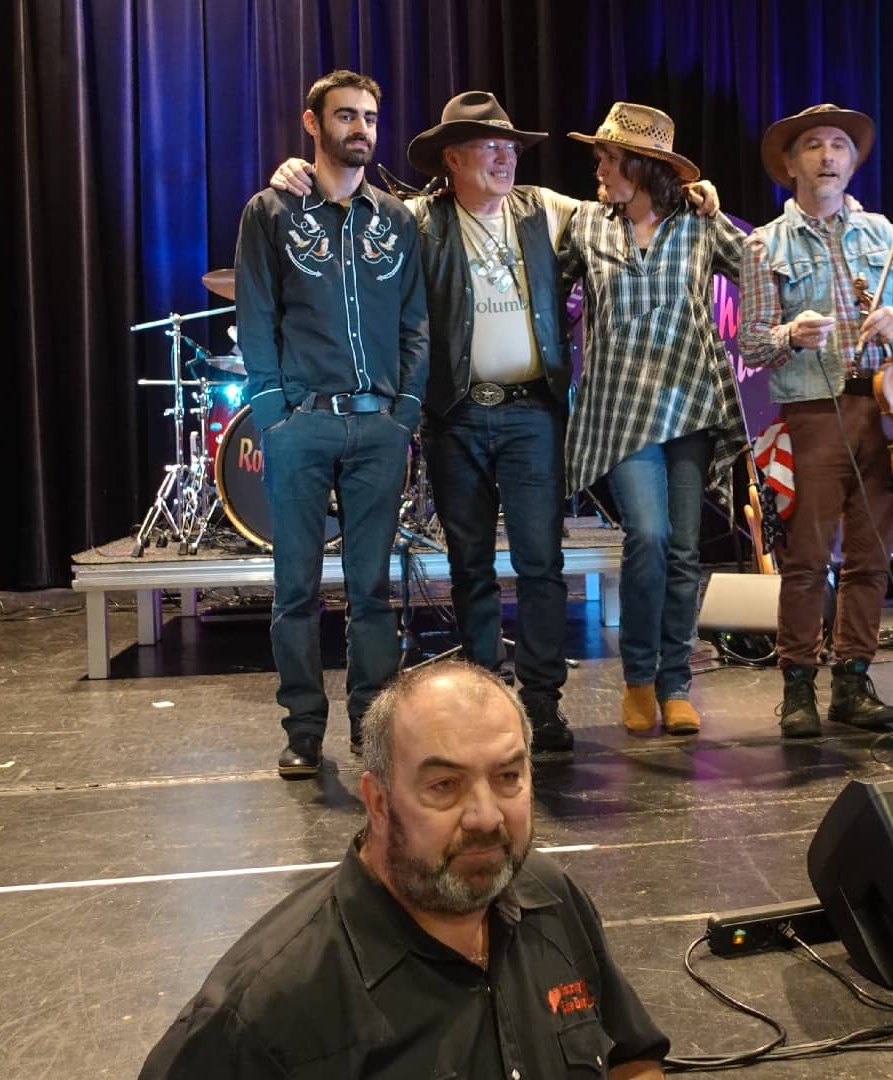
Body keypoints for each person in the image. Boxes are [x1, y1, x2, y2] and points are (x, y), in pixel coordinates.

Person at [269, 93, 725, 761]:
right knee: (470, 566)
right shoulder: (418, 221)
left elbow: (633, 205)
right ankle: (488, 697)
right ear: (452, 158)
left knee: (543, 565)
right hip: (455, 416)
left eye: (511, 146)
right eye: (489, 146)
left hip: (531, 414)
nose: (506, 156)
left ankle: (541, 702)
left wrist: (692, 190)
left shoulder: (548, 211)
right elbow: (350, 209)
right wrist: (294, 174)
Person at [140, 661, 669, 1078]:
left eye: (508, 776)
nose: (486, 817)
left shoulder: (552, 898)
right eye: (445, 786)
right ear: (377, 801)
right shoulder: (264, 1009)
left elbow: (631, 1058)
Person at [234, 70, 428, 779]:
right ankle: (303, 731)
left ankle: (369, 730)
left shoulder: (397, 219)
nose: (362, 129)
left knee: (373, 589)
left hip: (379, 426)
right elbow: (254, 315)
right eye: (346, 116)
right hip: (302, 427)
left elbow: (415, 325)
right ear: (312, 124)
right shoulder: (271, 211)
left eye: (370, 117)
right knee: (296, 591)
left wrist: (405, 411)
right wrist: (272, 413)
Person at [737, 104, 893, 738]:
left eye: (840, 146)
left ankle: (853, 678)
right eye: (815, 146)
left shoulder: (884, 233)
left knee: (872, 555)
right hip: (814, 408)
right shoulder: (764, 244)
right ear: (791, 164)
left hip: (884, 409)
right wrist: (791, 334)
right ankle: (798, 685)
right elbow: (750, 342)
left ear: (852, 162)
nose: (828, 156)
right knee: (807, 555)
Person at [559, 103, 746, 738]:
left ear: (641, 166)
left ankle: (675, 684)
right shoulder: (588, 226)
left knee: (687, 548)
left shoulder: (699, 223)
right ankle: (638, 676)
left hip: (691, 404)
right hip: (622, 410)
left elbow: (758, 263)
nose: (600, 169)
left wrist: (766, 334)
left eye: (608, 160)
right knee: (650, 537)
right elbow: (547, 289)